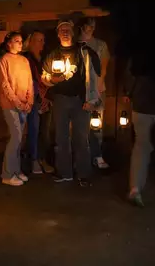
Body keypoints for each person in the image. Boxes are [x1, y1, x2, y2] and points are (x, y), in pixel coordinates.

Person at [42, 19, 101, 187]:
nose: (65, 32)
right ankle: (64, 172)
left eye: (68, 29)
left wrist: (91, 100)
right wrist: (52, 79)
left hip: (80, 100)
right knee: (61, 138)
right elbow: (44, 76)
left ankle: (84, 174)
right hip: (60, 99)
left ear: (73, 32)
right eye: (62, 29)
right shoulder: (53, 54)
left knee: (81, 138)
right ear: (58, 33)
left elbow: (93, 76)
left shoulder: (83, 52)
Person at [122, 52, 155, 207]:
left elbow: (129, 72)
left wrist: (129, 92)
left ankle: (135, 189)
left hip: (142, 104)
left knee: (142, 146)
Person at [0, 31, 34, 186]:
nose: (19, 43)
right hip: (10, 106)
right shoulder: (3, 61)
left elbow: (30, 82)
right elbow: (5, 86)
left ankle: (16, 171)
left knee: (19, 140)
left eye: (20, 40)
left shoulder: (24, 60)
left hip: (24, 105)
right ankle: (7, 174)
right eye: (16, 41)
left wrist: (29, 102)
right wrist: (18, 103)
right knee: (15, 137)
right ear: (8, 43)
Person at [78, 17, 111, 169]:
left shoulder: (100, 44)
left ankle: (97, 155)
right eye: (87, 25)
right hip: (80, 92)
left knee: (96, 124)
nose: (90, 28)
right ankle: (82, 157)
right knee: (79, 126)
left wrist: (98, 83)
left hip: (97, 90)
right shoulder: (76, 44)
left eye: (93, 26)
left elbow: (103, 66)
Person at [22, 31, 55, 174]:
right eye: (37, 40)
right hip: (33, 100)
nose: (41, 43)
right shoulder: (26, 59)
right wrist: (38, 97)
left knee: (44, 132)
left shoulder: (45, 59)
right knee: (33, 131)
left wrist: (48, 97)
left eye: (42, 40)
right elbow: (29, 81)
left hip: (47, 99)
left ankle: (42, 159)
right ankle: (34, 160)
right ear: (30, 42)